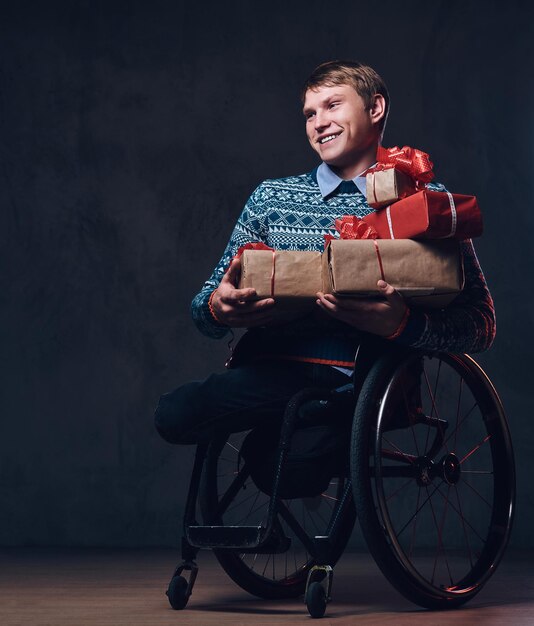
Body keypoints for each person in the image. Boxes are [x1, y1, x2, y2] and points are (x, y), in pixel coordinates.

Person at [154, 60, 495, 445]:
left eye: (332, 106)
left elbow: (480, 323)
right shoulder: (272, 198)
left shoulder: (425, 202)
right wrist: (220, 307)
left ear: (375, 108)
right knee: (175, 412)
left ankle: (301, 433)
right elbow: (203, 308)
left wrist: (403, 325)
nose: (318, 123)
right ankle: (293, 430)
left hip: (368, 381)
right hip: (276, 371)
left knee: (287, 462)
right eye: (309, 114)